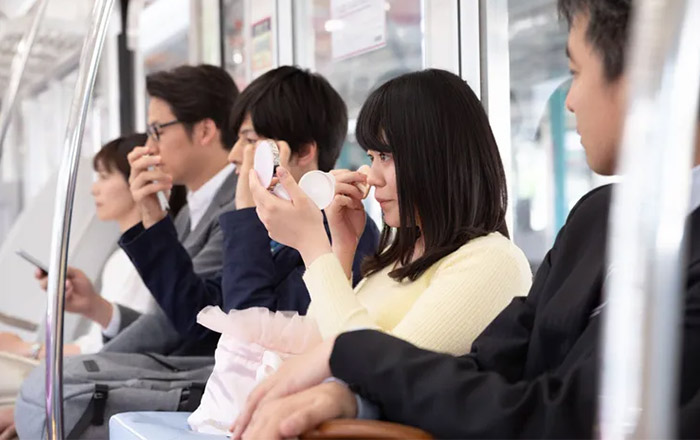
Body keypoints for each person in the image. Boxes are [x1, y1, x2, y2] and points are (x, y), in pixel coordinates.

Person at [230, 1, 700, 439]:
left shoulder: (490, 262)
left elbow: (561, 414)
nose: (570, 99)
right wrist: (337, 257)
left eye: (575, 72)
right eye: (371, 155)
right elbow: (485, 366)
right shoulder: (594, 218)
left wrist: (319, 262)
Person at [245, 68, 531, 356]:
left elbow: (382, 371)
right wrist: (341, 247)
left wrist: (312, 246)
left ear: (440, 157)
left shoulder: (492, 260)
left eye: (386, 156)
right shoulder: (397, 258)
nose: (371, 176)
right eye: (371, 157)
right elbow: (312, 351)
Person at [117, 65, 380, 349]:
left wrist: (246, 213)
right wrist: (154, 218)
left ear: (303, 151)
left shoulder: (340, 232)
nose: (233, 156)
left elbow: (251, 342)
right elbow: (204, 320)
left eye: (251, 141)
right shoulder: (273, 229)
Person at [0, 133, 156, 439]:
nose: (93, 188)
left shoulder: (144, 260)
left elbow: (116, 351)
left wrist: (30, 350)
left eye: (105, 176)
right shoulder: (120, 258)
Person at [97, 64, 240, 356]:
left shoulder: (236, 210)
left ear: (204, 131)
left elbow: (197, 319)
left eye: (156, 131)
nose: (148, 146)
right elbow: (168, 319)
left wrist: (94, 366)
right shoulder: (190, 211)